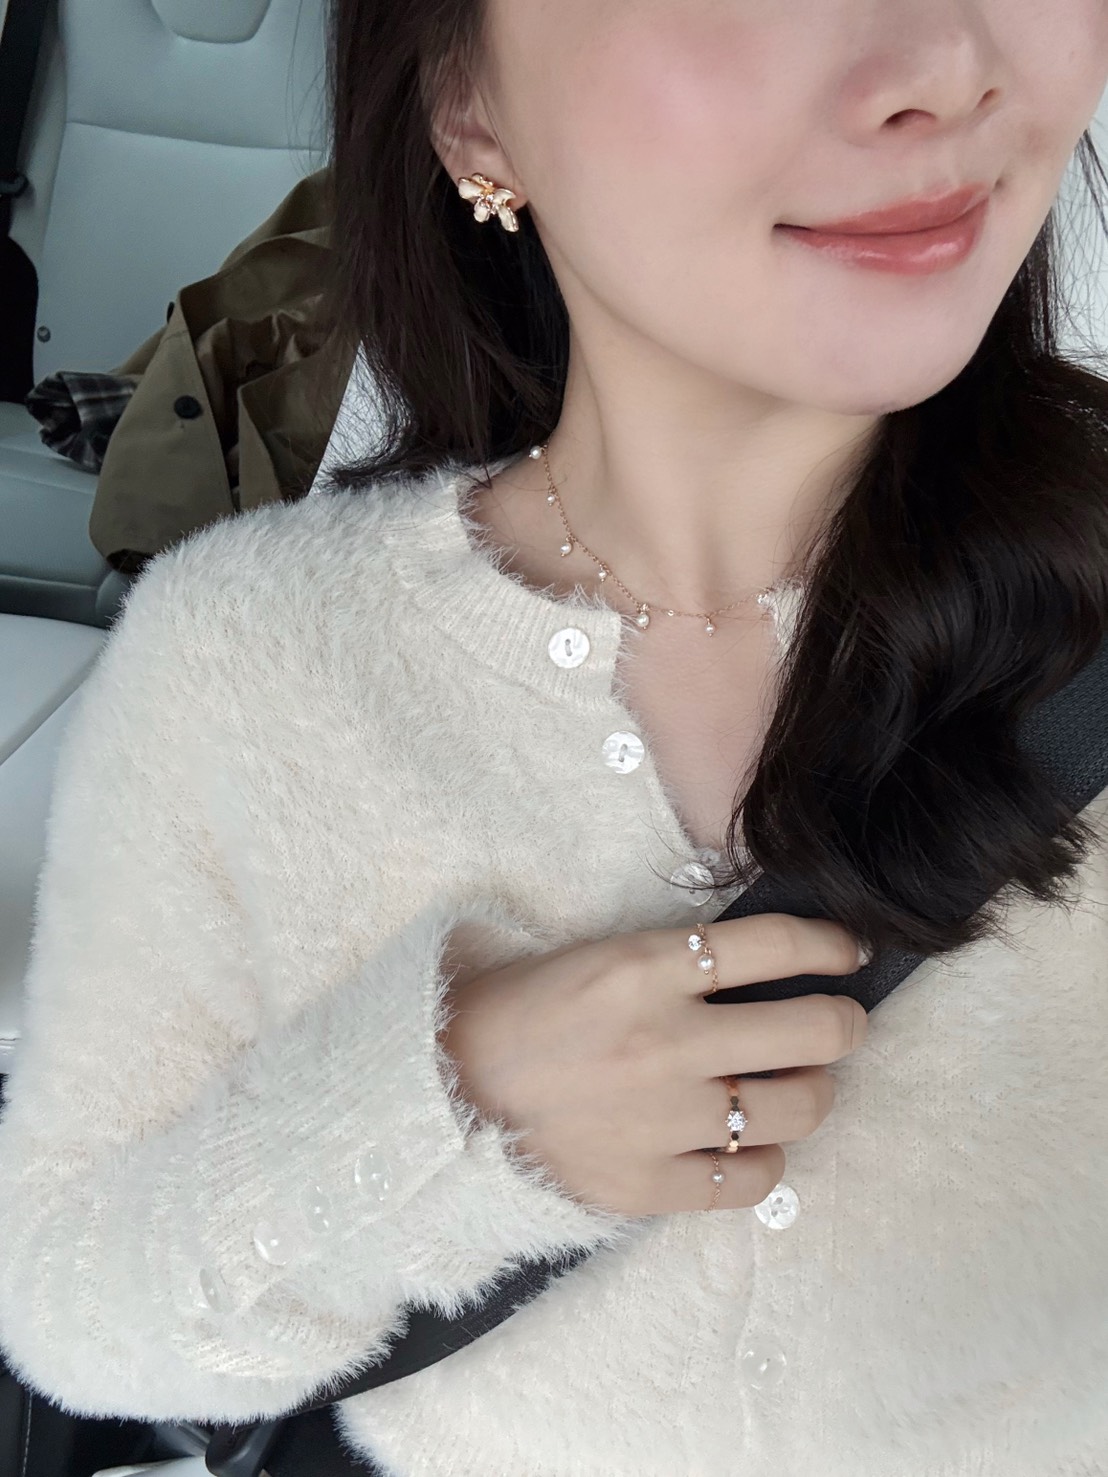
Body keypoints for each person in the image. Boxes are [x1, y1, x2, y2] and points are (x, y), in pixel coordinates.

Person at [1, 1, 1108, 1474]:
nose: (948, 68)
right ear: (471, 104)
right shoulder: (243, 651)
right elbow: (68, 1299)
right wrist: (445, 1111)